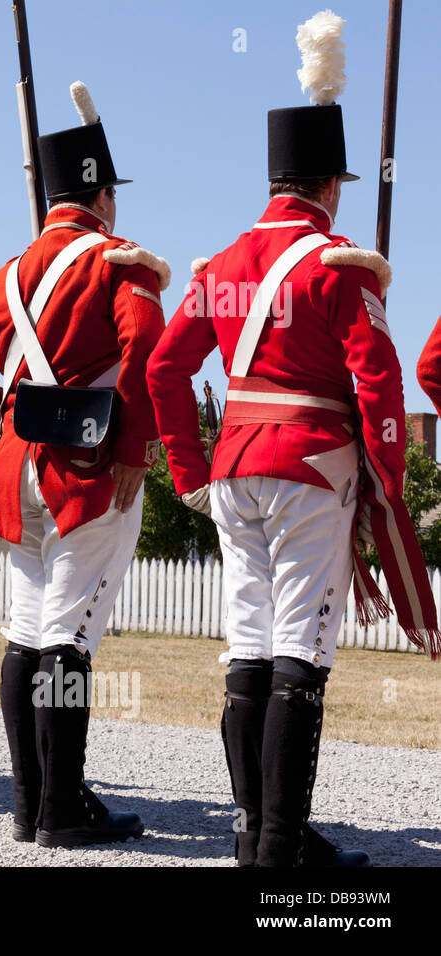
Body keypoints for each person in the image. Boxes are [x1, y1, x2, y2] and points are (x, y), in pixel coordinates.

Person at [145, 11, 433, 868]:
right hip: (312, 464)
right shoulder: (338, 264)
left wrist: (191, 470)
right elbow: (380, 382)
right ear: (332, 186)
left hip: (233, 465)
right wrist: (385, 476)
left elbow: (166, 369)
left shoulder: (224, 264)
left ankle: (251, 829)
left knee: (249, 640)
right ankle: (279, 845)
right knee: (302, 646)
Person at [0, 81, 167, 846]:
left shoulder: (6, 276)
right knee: (67, 640)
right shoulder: (119, 264)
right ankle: (62, 810)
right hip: (86, 469)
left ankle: (29, 803)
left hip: (16, 473)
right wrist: (135, 445)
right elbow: (147, 354)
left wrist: (11, 429)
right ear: (102, 194)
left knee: (27, 632)